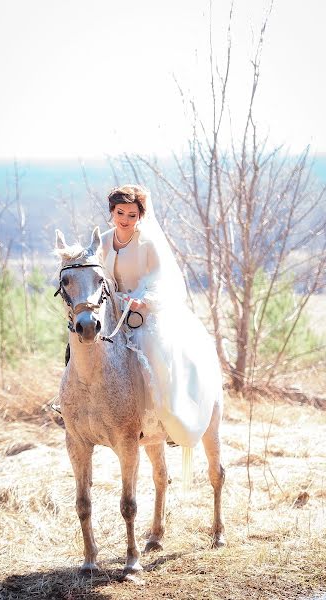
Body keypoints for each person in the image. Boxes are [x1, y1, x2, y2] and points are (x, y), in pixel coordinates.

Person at [98, 184, 222, 448]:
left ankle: (167, 421)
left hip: (140, 313)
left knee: (155, 354)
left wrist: (143, 301)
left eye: (132, 215)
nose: (125, 220)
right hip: (110, 311)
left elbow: (161, 281)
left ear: (140, 216)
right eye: (120, 213)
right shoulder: (104, 241)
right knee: (81, 348)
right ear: (112, 212)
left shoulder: (148, 243)